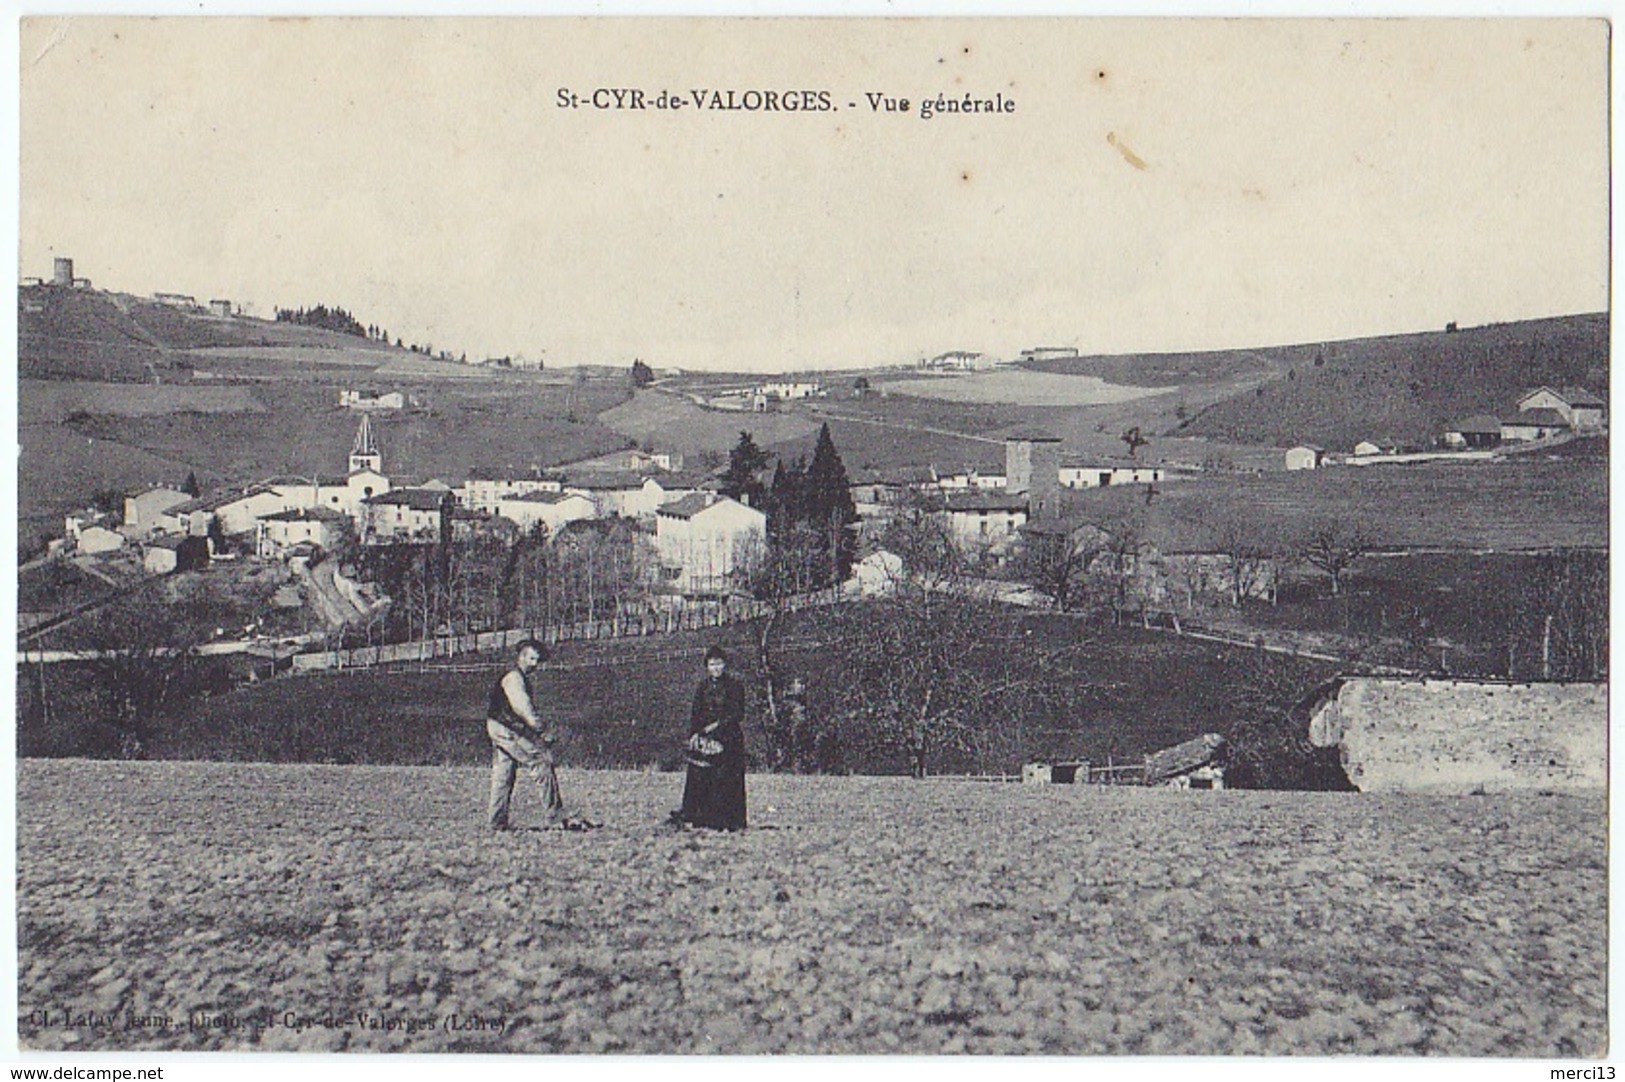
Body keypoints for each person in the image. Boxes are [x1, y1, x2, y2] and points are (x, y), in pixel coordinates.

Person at [486, 639, 569, 832]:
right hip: (506, 728)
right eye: (531, 659)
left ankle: (496, 822)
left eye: (537, 660)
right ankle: (555, 818)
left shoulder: (515, 676)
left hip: (497, 725)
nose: (534, 664)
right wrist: (542, 731)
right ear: (521, 656)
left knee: (504, 773)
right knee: (541, 762)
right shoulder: (515, 678)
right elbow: (522, 707)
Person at [674, 646, 747, 831]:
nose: (716, 668)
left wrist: (716, 726)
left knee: (727, 779)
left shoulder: (735, 685)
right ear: (707, 666)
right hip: (706, 739)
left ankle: (729, 821)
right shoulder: (703, 687)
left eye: (719, 664)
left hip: (729, 738)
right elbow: (696, 713)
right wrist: (694, 734)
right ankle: (700, 817)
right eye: (712, 664)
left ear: (725, 665)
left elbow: (738, 713)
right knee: (702, 776)